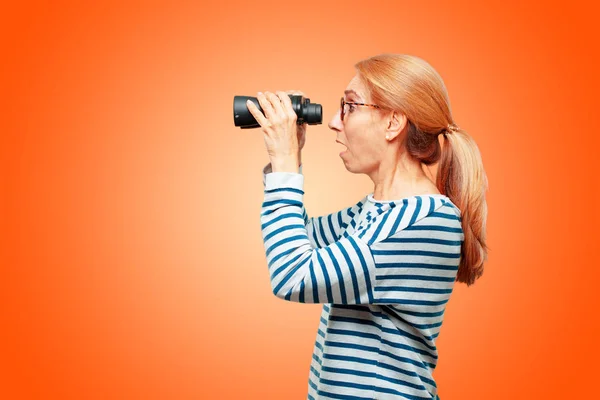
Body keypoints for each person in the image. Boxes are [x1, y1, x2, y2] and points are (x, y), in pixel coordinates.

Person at [248, 53, 489, 400]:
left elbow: (293, 275)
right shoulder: (378, 210)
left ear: (393, 122)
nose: (334, 122)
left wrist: (285, 163)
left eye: (349, 106)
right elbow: (300, 239)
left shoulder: (421, 220)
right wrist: (288, 157)